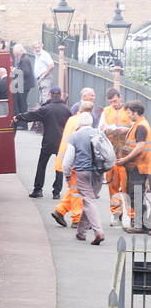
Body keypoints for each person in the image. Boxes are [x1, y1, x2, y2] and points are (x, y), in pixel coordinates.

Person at [61, 112, 114, 245]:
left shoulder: (75, 136)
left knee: (88, 200)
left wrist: (67, 175)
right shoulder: (100, 133)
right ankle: (81, 233)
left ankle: (98, 231)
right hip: (98, 172)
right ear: (91, 123)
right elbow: (109, 151)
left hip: (82, 172)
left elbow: (67, 160)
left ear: (79, 124)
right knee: (88, 200)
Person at [14, 86, 71, 197]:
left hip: (48, 141)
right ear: (60, 95)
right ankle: (56, 192)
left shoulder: (46, 109)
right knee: (58, 166)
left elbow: (32, 115)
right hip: (62, 142)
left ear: (50, 95)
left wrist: (18, 117)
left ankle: (38, 190)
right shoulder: (67, 110)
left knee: (42, 165)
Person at [52, 100, 96, 224]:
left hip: (67, 159)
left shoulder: (72, 119)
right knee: (77, 192)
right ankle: (77, 219)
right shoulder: (82, 124)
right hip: (76, 163)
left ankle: (60, 211)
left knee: (73, 189)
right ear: (90, 113)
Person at [100, 90, 133, 223]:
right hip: (111, 153)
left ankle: (130, 213)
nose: (113, 104)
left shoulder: (129, 110)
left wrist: (127, 130)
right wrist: (107, 129)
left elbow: (135, 127)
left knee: (126, 185)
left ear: (120, 97)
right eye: (111, 102)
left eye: (115, 101)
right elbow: (100, 129)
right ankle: (116, 212)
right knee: (112, 184)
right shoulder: (106, 111)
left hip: (126, 154)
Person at [117, 101, 151, 230]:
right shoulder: (139, 124)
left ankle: (140, 225)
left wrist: (125, 159)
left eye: (129, 112)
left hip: (138, 165)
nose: (127, 114)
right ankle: (140, 224)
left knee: (136, 194)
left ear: (135, 113)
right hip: (138, 165)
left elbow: (140, 147)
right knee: (136, 194)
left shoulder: (140, 126)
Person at [11, 44, 34, 116]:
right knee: (22, 102)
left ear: (17, 52)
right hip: (23, 84)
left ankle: (24, 120)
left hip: (25, 85)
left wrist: (15, 69)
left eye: (13, 51)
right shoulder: (23, 58)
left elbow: (26, 72)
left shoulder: (24, 59)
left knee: (23, 102)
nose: (13, 52)